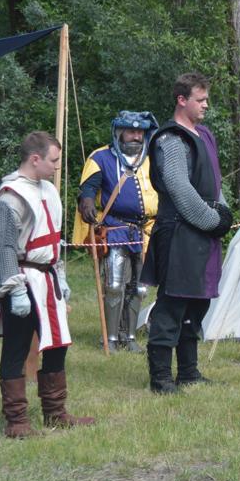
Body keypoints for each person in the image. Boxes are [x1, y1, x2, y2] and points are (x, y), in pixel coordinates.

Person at [0, 132, 94, 438]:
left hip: (47, 277)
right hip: (21, 278)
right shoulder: (10, 196)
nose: (57, 166)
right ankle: (16, 421)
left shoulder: (48, 190)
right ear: (35, 159)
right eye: (53, 160)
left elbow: (53, 237)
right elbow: (3, 248)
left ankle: (55, 413)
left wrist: (61, 275)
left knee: (57, 344)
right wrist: (14, 289)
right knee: (16, 348)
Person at [141, 73, 231, 394]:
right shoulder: (170, 139)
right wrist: (212, 219)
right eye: (200, 99)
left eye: (206, 99)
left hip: (201, 232)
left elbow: (213, 182)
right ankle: (161, 378)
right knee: (173, 302)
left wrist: (221, 211)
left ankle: (189, 371)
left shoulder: (203, 134)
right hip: (179, 230)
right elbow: (180, 189)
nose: (206, 105)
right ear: (182, 100)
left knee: (197, 302)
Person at [75, 110, 160, 353]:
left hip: (145, 231)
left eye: (139, 132)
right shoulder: (100, 158)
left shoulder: (153, 157)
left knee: (140, 287)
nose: (135, 136)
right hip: (115, 229)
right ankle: (110, 338)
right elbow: (88, 189)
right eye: (131, 131)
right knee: (114, 285)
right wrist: (87, 202)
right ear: (120, 132)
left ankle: (129, 337)